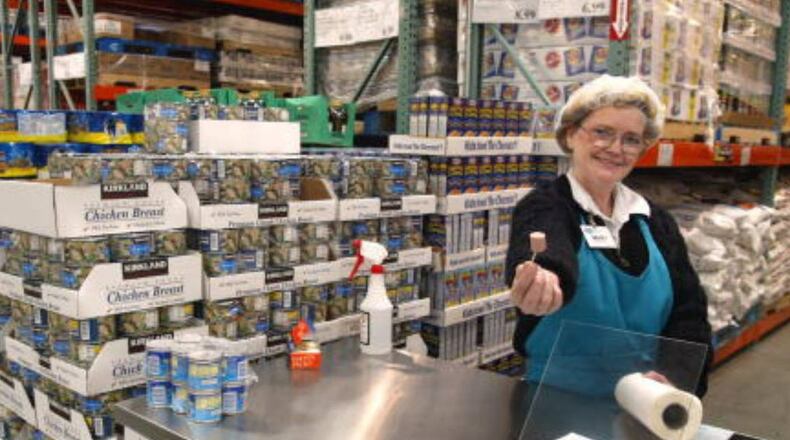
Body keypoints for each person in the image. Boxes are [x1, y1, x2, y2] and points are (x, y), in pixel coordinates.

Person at [506, 75, 712, 397]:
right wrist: (544, 277)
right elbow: (548, 246)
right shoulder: (547, 206)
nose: (616, 149)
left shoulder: (656, 222)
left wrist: (676, 378)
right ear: (571, 134)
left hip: (643, 404)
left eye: (631, 139)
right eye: (602, 132)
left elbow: (689, 310)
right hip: (553, 404)